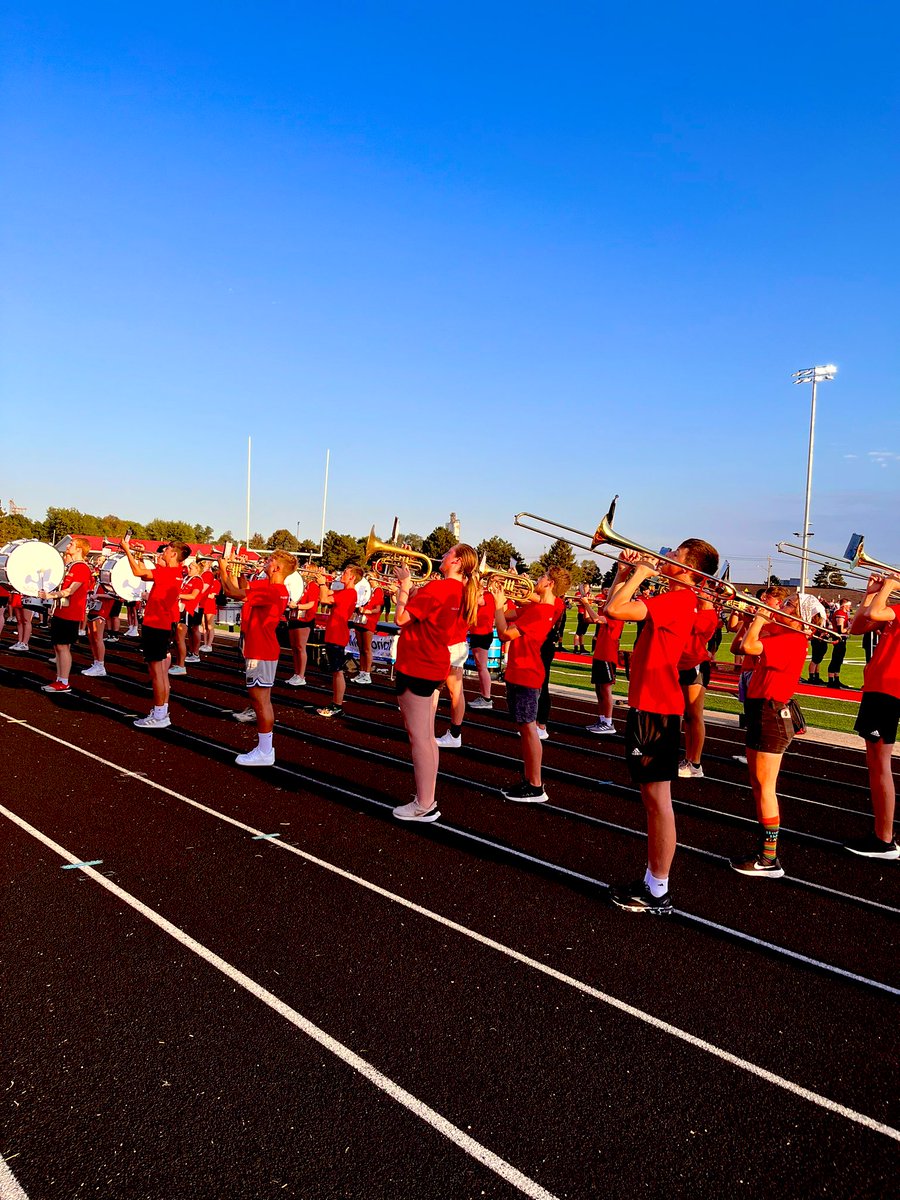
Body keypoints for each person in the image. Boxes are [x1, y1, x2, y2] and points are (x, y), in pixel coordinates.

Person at [604, 538, 719, 914]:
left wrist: (639, 573)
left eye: (675, 554)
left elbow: (616, 609)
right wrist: (624, 573)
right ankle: (654, 883)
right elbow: (611, 609)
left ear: (689, 568)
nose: (665, 555)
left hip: (656, 708)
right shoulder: (676, 598)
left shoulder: (678, 599)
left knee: (658, 803)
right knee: (653, 801)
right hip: (650, 705)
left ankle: (657, 889)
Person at [391, 544, 479, 823]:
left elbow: (401, 618)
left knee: (419, 738)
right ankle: (426, 800)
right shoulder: (460, 590)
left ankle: (424, 804)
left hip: (417, 663)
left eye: (448, 553)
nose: (443, 556)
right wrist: (411, 592)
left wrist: (405, 585)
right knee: (427, 738)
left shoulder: (440, 588)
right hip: (432, 663)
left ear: (457, 561)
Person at [729, 589, 811, 878]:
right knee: (757, 783)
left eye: (789, 604)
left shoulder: (792, 638)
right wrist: (750, 620)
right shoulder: (781, 633)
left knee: (765, 787)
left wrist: (760, 619)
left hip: (772, 714)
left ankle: (768, 859)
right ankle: (765, 854)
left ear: (800, 618)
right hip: (761, 710)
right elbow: (738, 647)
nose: (782, 606)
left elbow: (750, 645)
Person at [494, 567, 571, 801]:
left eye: (542, 576)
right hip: (520, 672)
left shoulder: (542, 611)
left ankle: (536, 786)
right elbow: (510, 614)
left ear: (549, 583)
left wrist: (497, 604)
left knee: (529, 730)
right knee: (525, 730)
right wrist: (503, 597)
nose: (538, 578)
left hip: (526, 674)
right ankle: (530, 780)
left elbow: (505, 633)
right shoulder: (545, 606)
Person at [218, 549, 293, 766]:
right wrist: (239, 572)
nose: (265, 562)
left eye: (269, 560)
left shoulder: (272, 590)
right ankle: (264, 749)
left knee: (260, 702)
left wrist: (223, 569)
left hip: (261, 650)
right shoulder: (274, 588)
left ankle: (265, 751)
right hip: (262, 648)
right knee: (261, 701)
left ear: (277, 568)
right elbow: (244, 588)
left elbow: (231, 592)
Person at [846, 573, 900, 858]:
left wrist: (888, 587)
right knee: (876, 763)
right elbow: (857, 627)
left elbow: (876, 613)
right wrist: (869, 594)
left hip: (888, 690)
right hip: (880, 689)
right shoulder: (895, 613)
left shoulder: (896, 611)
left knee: (880, 764)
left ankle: (884, 839)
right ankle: (883, 834)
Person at [121, 537, 190, 729]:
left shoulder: (168, 572)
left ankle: (160, 715)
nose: (163, 552)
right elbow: (144, 576)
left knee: (157, 672)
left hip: (156, 625)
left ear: (173, 554)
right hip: (161, 625)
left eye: (167, 550)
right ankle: (161, 711)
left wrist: (127, 550)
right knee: (161, 672)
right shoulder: (174, 572)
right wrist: (138, 556)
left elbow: (137, 572)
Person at [38, 536, 94, 693]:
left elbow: (70, 591)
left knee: (63, 646)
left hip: (71, 613)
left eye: (72, 544)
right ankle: (59, 679)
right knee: (58, 646)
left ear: (79, 549)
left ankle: (63, 681)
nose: (68, 546)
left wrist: (49, 596)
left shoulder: (81, 568)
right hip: (62, 611)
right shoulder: (72, 566)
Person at [676, 599, 719, 778]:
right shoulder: (693, 609)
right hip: (681, 663)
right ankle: (688, 758)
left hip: (694, 664)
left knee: (694, 714)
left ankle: (695, 763)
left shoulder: (708, 615)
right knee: (687, 716)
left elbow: (689, 626)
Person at [316, 564, 364, 718]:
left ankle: (337, 705)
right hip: (334, 633)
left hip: (337, 634)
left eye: (345, 572)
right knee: (335, 671)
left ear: (352, 577)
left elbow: (324, 599)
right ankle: (335, 703)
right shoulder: (344, 591)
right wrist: (321, 580)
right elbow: (325, 594)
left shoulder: (349, 593)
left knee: (337, 671)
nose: (342, 574)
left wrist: (322, 583)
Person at [580, 589, 623, 736]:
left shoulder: (616, 615)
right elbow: (588, 620)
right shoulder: (607, 614)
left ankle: (608, 722)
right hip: (599, 655)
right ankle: (602, 719)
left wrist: (587, 604)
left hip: (607, 656)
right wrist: (586, 605)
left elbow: (597, 619)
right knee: (599, 689)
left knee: (605, 689)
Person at [169, 561, 205, 676]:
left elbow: (193, 596)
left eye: (191, 568)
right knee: (176, 639)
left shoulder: (197, 580)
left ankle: (181, 665)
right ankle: (178, 663)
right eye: (189, 567)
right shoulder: (188, 578)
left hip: (187, 610)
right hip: (180, 609)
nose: (188, 569)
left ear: (197, 570)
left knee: (180, 638)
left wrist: (177, 595)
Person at [285, 570, 320, 686]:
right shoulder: (297, 585)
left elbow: (311, 604)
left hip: (305, 619)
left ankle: (301, 675)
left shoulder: (312, 586)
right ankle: (296, 673)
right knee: (294, 647)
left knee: (300, 647)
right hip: (294, 617)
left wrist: (297, 606)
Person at [350, 576, 385, 687]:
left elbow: (377, 609)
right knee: (360, 648)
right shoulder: (364, 589)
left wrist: (366, 611)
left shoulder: (378, 590)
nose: (370, 581)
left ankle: (367, 674)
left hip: (369, 621)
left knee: (366, 648)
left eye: (372, 579)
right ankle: (361, 672)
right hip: (359, 620)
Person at [467, 583, 497, 710]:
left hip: (481, 632)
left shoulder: (485, 595)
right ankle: (485, 697)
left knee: (482, 667)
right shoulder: (489, 594)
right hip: (481, 632)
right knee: (481, 667)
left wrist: (473, 592)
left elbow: (479, 601)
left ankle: (486, 698)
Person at [826, 598, 852, 688]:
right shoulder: (840, 613)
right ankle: (831, 680)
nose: (850, 607)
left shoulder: (843, 613)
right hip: (839, 638)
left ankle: (836, 679)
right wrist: (850, 627)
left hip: (842, 638)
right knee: (836, 659)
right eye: (849, 605)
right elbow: (841, 630)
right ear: (844, 606)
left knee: (839, 659)